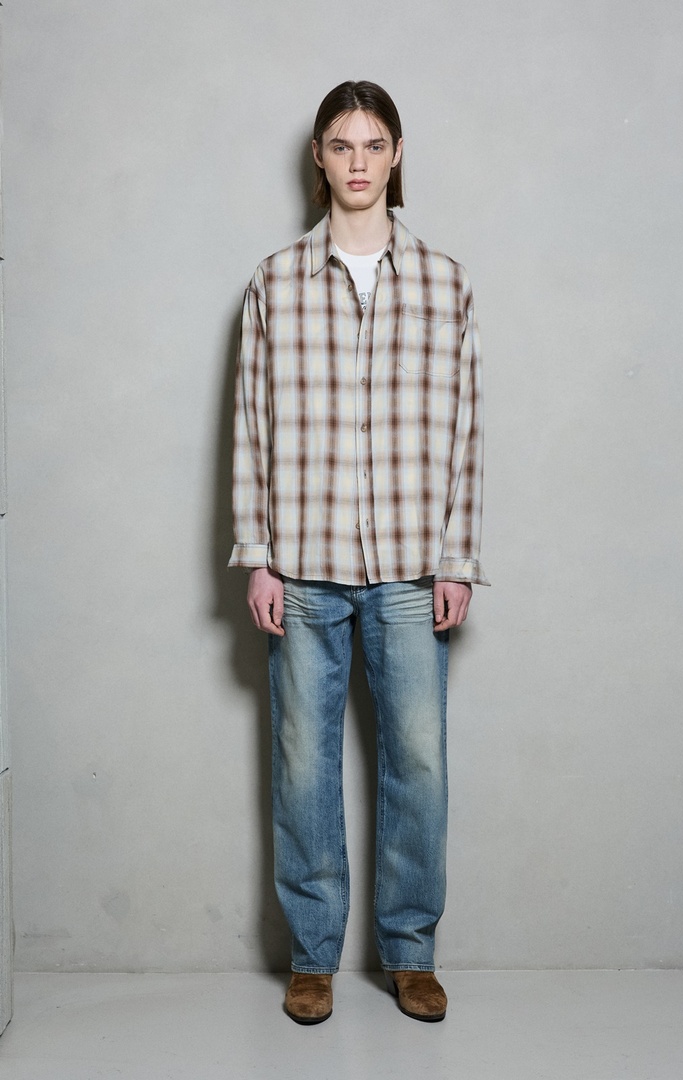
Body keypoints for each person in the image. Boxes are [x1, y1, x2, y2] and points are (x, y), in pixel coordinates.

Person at [229, 80, 488, 1024]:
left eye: (374, 144)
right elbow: (251, 425)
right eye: (342, 145)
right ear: (319, 156)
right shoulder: (274, 282)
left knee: (418, 763)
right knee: (304, 766)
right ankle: (313, 959)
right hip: (302, 564)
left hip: (414, 567)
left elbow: (466, 430)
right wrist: (258, 555)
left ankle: (411, 952)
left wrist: (457, 558)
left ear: (397, 153)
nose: (358, 162)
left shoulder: (446, 282)